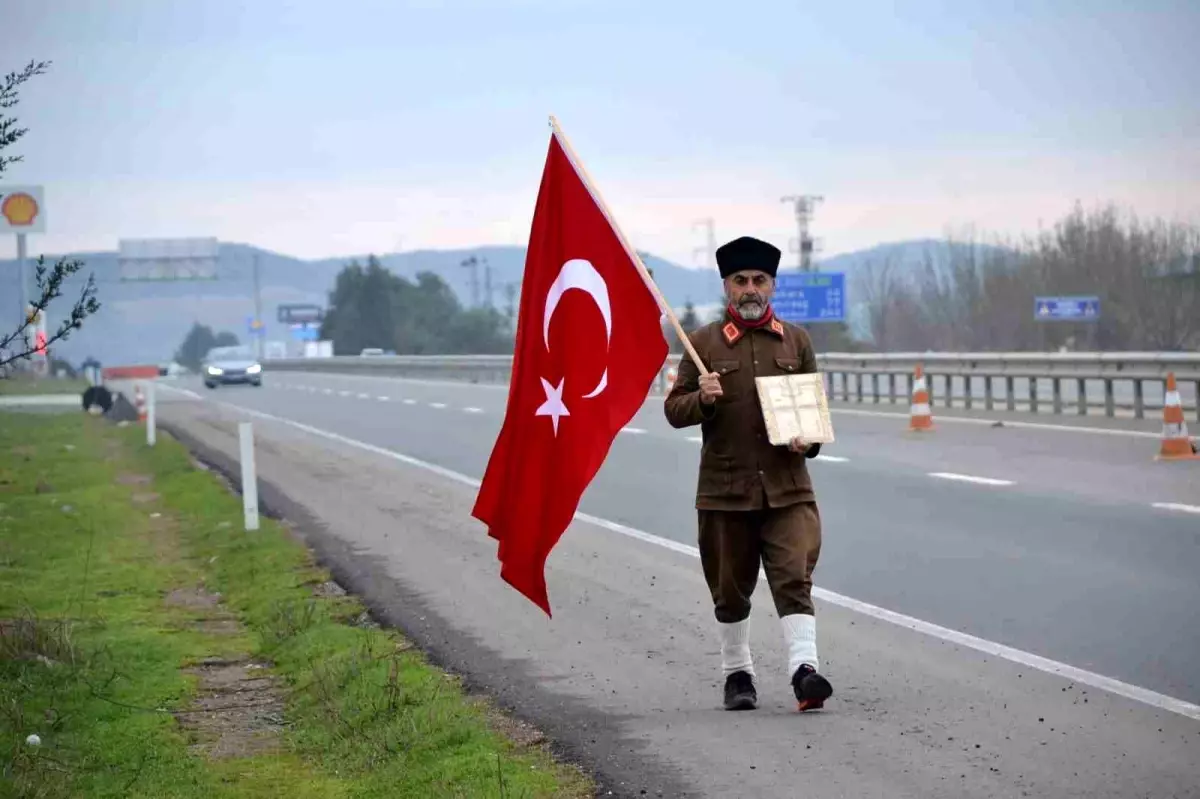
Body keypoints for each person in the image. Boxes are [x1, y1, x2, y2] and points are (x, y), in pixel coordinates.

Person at [664, 235, 833, 713]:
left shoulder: (797, 342)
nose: (750, 288)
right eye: (741, 281)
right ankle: (737, 675)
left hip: (788, 490)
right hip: (725, 492)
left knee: (794, 577)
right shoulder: (702, 344)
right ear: (727, 287)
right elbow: (674, 411)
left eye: (759, 280)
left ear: (773, 286)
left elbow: (813, 420)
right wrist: (704, 397)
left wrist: (809, 439)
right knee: (730, 590)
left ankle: (804, 671)